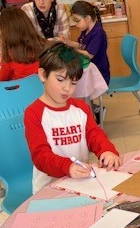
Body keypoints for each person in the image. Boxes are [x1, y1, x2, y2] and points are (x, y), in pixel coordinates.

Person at [25, 42, 121, 193]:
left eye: (73, 83)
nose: (67, 88)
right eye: (60, 79)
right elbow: (40, 156)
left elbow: (94, 134)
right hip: (49, 188)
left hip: (81, 183)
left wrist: (107, 150)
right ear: (43, 75)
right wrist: (67, 167)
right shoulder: (34, 113)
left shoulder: (81, 108)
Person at [60, 0, 110, 85]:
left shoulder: (97, 32)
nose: (76, 24)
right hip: (89, 70)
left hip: (99, 74)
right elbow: (82, 46)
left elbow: (89, 54)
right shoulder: (86, 29)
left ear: (87, 18)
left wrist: (71, 50)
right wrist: (67, 42)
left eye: (77, 21)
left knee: (70, 80)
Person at [0, 6, 44, 81]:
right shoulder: (43, 45)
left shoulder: (9, 54)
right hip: (44, 90)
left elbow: (2, 78)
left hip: (21, 91)